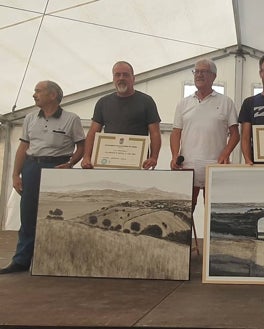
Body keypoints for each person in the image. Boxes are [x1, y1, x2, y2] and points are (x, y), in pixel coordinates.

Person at [0, 81, 85, 274]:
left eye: (38, 91)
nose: (34, 94)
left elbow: (81, 147)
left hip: (58, 168)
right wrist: (15, 175)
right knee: (28, 215)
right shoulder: (30, 118)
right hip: (31, 166)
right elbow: (23, 147)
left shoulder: (71, 119)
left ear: (53, 95)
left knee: (58, 216)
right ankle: (21, 261)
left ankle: (55, 261)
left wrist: (71, 164)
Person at [170, 58, 239, 210]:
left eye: (203, 71)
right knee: (185, 212)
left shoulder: (226, 102)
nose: (199, 75)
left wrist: (225, 154)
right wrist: (175, 155)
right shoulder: (183, 103)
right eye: (196, 71)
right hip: (187, 167)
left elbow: (235, 134)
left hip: (215, 167)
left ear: (214, 76)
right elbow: (175, 133)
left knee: (214, 214)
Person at [81, 61, 161, 169]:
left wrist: (153, 157)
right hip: (107, 163)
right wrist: (86, 157)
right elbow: (92, 133)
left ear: (133, 78)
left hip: (138, 164)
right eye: (117, 75)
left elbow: (155, 133)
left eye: (126, 75)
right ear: (113, 78)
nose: (121, 78)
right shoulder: (103, 102)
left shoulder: (146, 101)